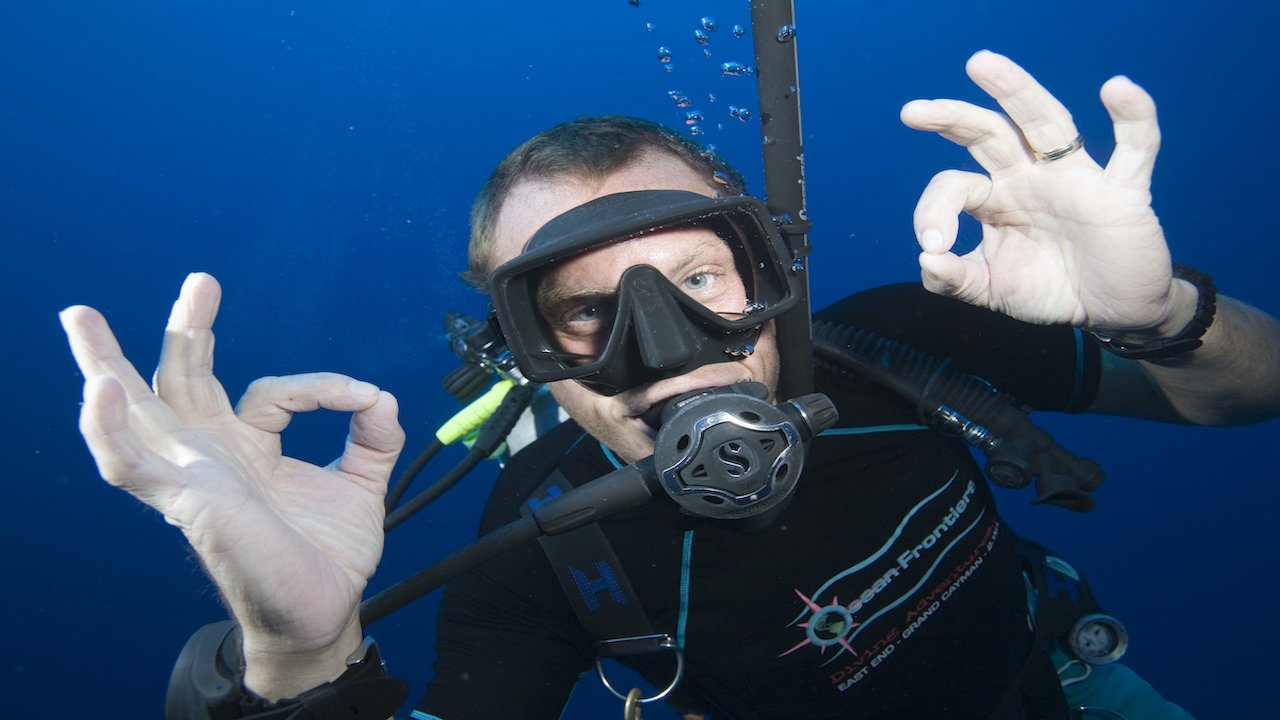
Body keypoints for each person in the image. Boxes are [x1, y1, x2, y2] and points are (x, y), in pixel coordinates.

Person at [60, 51, 1280, 719]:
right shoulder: (537, 543)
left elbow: (1244, 397)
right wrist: (296, 660)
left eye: (700, 278)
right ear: (521, 350)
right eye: (585, 311)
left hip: (1067, 688)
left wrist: (1165, 317)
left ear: (769, 275)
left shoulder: (908, 340)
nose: (670, 348)